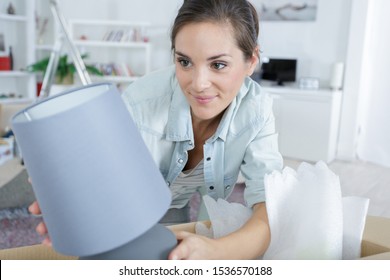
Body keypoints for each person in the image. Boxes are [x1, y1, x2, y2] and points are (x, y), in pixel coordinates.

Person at [29, 0, 283, 260]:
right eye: (184, 62)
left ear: (251, 61)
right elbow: (106, 174)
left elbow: (270, 205)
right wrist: (74, 198)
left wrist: (217, 251)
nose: (199, 84)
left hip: (209, 199)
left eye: (218, 65)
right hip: (139, 205)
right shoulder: (141, 103)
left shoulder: (257, 111)